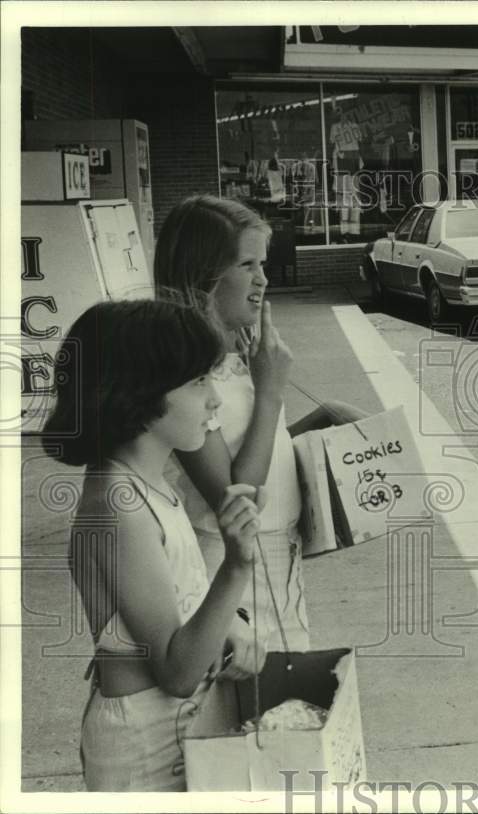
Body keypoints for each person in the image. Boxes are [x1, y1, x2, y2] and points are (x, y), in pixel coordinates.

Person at [42, 300, 268, 791]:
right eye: (197, 382)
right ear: (137, 395)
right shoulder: (116, 505)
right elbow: (177, 670)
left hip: (176, 727)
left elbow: (175, 606)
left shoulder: (147, 484)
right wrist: (235, 567)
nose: (215, 400)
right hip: (144, 748)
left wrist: (228, 626)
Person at [154, 194, 367, 653]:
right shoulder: (182, 371)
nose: (263, 278)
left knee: (285, 711)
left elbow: (255, 449)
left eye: (263, 263)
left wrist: (318, 420)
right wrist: (269, 391)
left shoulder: (239, 352)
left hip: (281, 558)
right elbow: (234, 498)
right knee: (248, 711)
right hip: (227, 567)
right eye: (247, 264)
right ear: (204, 276)